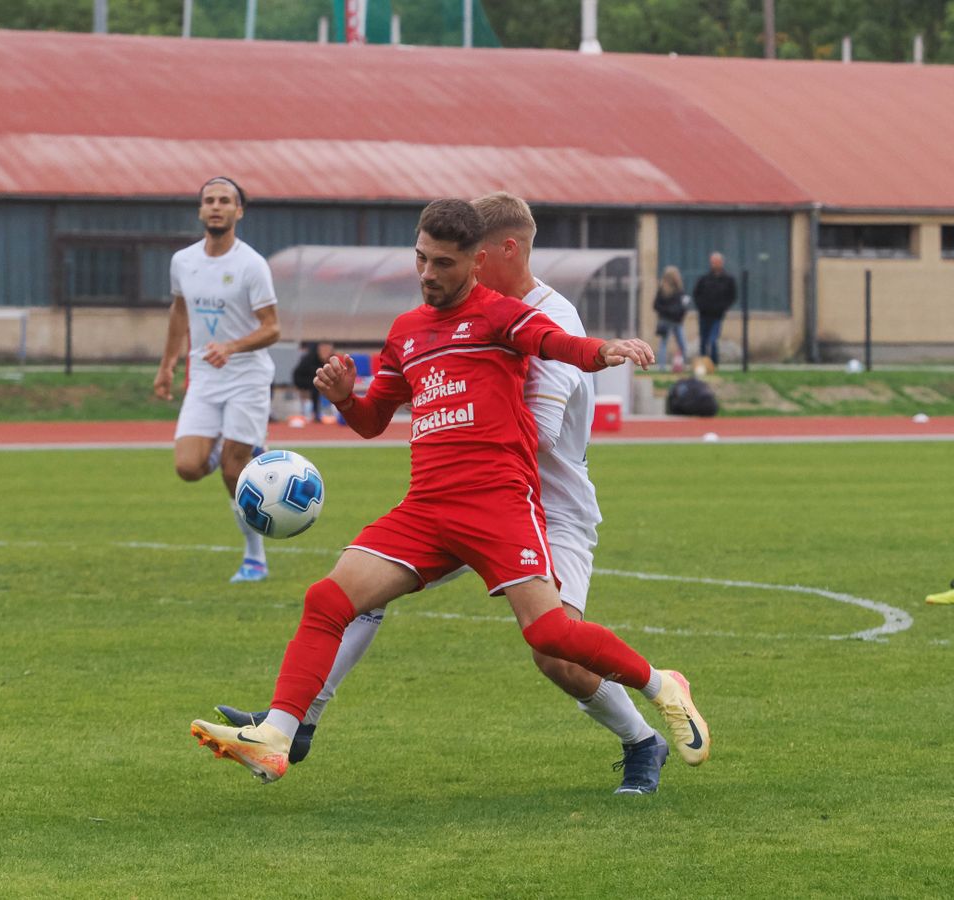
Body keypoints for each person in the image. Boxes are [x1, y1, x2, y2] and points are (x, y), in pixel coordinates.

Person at [190, 199, 711, 785]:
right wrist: (343, 397)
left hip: (516, 502)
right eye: (420, 259)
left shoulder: (505, 314)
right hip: (429, 508)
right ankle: (282, 733)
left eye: (442, 262)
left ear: (478, 260)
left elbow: (555, 346)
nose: (427, 274)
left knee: (550, 642)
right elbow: (370, 419)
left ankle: (660, 688)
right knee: (331, 598)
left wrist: (604, 352)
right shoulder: (407, 331)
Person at [153, 177, 281, 583]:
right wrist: (167, 363)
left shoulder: (251, 264)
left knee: (233, 472)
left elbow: (272, 328)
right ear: (200, 210)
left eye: (225, 201)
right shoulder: (183, 261)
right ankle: (233, 445)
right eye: (209, 200)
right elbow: (179, 310)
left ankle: (254, 557)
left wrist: (232, 346)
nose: (216, 207)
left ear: (238, 211)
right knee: (188, 468)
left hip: (246, 377)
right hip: (206, 378)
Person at [692, 252, 737, 367]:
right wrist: (701, 306)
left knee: (712, 340)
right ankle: (702, 364)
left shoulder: (728, 279)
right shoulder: (704, 279)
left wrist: (723, 307)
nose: (714, 264)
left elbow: (732, 296)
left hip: (717, 315)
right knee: (703, 340)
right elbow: (696, 294)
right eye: (712, 262)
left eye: (716, 262)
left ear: (721, 263)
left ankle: (714, 363)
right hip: (704, 314)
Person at [652, 264, 690, 371]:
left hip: (675, 321)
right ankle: (663, 366)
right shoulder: (664, 290)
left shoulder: (679, 290)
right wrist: (669, 311)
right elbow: (656, 305)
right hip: (668, 320)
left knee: (678, 344)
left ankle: (677, 365)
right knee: (668, 343)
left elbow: (683, 305)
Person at [292, 341, 335, 422]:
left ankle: (331, 411)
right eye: (323, 350)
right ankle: (315, 412)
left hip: (316, 379)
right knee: (316, 387)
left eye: (327, 350)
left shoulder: (331, 359)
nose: (325, 352)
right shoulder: (311, 358)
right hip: (302, 378)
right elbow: (311, 373)